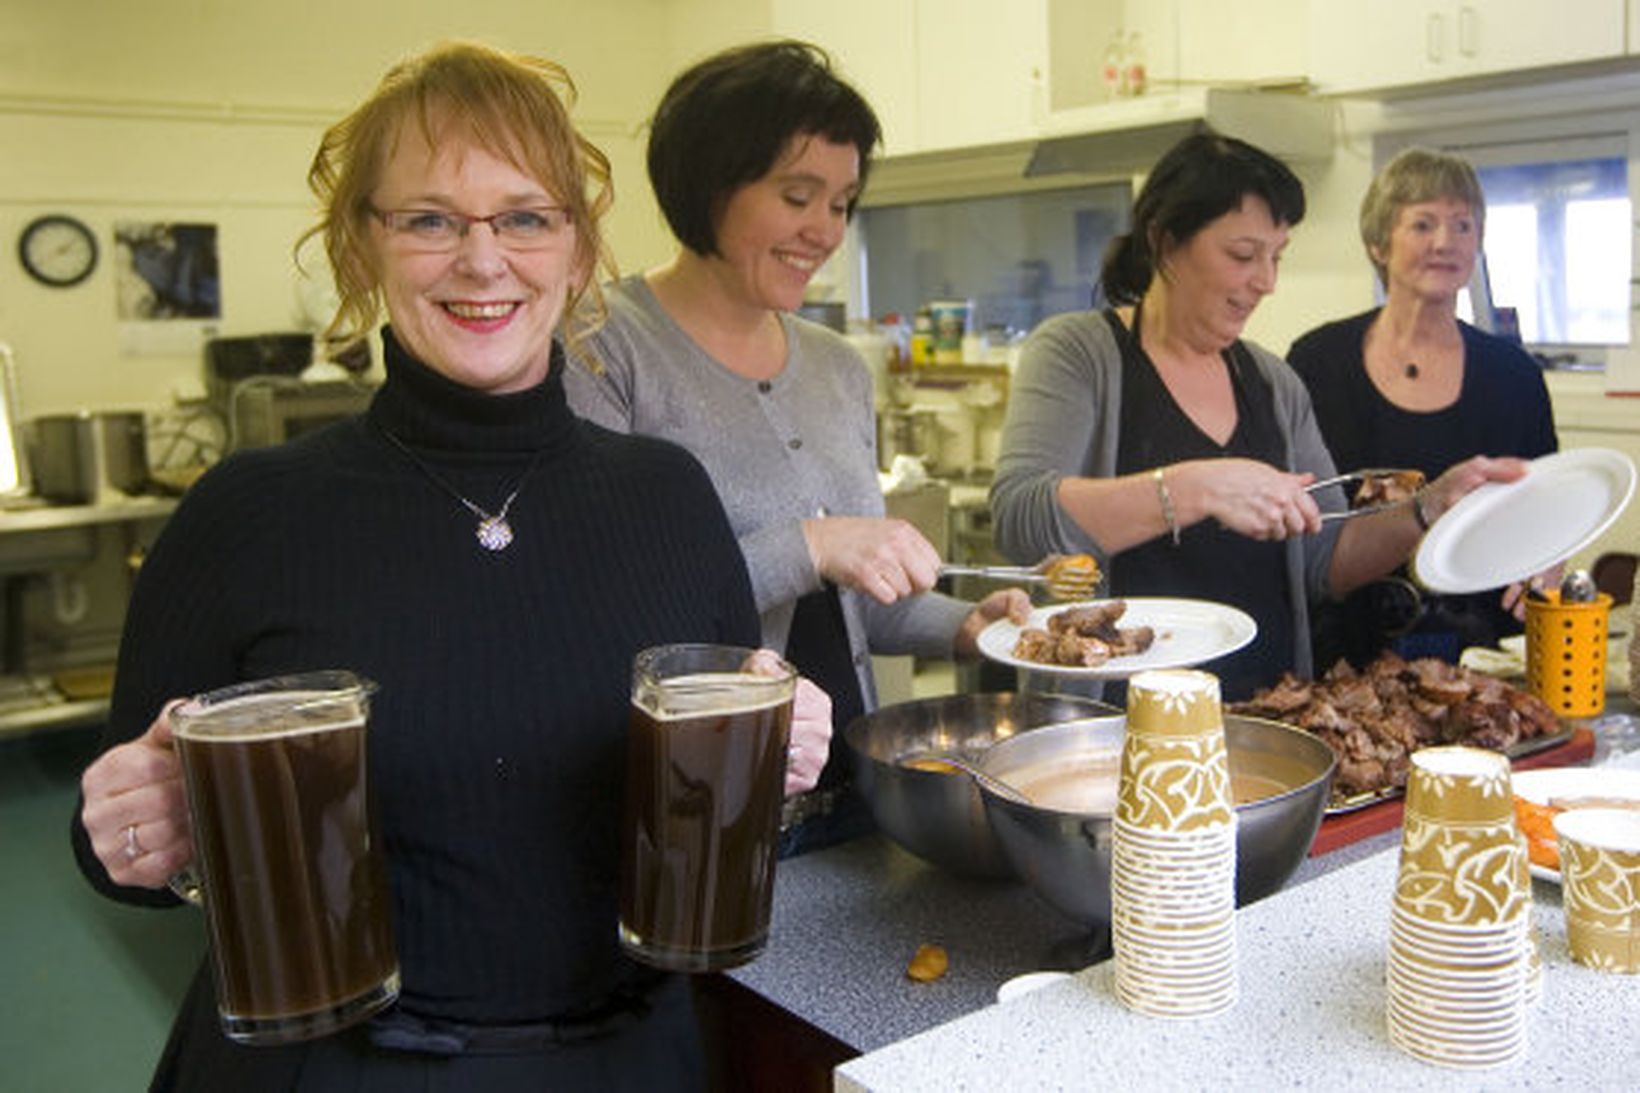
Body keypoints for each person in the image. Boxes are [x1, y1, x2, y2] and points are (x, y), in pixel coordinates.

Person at [71, 41, 831, 1091]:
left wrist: (778, 763)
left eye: (525, 217)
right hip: (333, 1067)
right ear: (361, 249)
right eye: (429, 219)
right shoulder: (248, 514)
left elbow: (707, 791)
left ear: (575, 251)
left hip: (627, 1058)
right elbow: (122, 843)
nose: (483, 260)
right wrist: (130, 831)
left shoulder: (665, 496)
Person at [563, 41, 1028, 851]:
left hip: (860, 795)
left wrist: (966, 625)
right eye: (796, 195)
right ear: (710, 184)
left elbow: (857, 600)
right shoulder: (604, 347)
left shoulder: (837, 368)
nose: (824, 231)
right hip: (707, 810)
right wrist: (808, 544)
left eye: (842, 203)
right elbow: (605, 613)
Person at [989, 131, 1526, 701]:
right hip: (1112, 729)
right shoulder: (1079, 353)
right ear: (1165, 241)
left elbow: (1327, 560)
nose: (1265, 281)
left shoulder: (1274, 384)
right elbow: (1021, 518)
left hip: (1265, 715)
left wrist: (1426, 508)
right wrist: (1192, 488)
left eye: (1276, 257)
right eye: (1243, 256)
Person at [1287, 147, 1558, 668]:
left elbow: (1545, 505)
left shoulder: (1514, 374)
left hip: (1485, 657)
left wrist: (1548, 560)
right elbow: (1301, 522)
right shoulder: (1317, 363)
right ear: (1377, 242)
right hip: (1341, 653)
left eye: (1462, 225)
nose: (1445, 243)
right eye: (1423, 224)